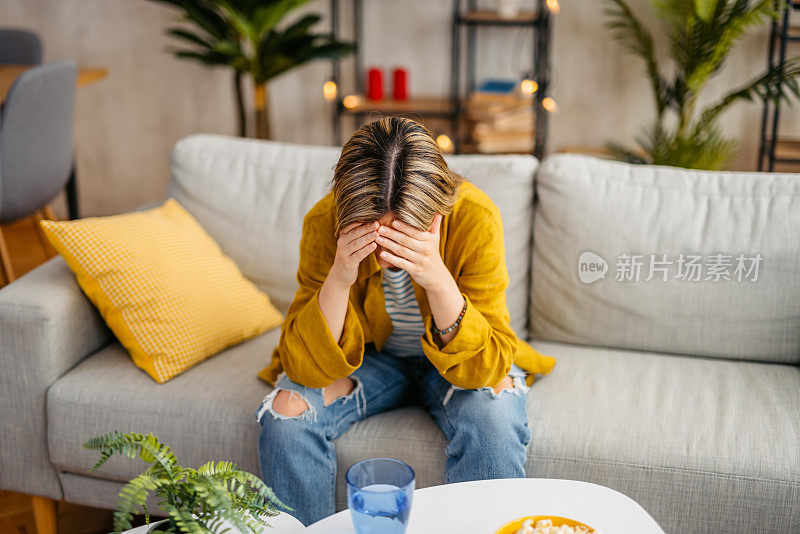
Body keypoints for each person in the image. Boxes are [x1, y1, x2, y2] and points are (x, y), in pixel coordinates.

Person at [254, 116, 555, 526]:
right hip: (372, 360)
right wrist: (341, 275)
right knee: (287, 413)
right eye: (374, 233)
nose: (387, 253)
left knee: (494, 418)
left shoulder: (476, 217)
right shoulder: (325, 222)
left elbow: (488, 364)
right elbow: (305, 365)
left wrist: (437, 278)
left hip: (456, 360)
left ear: (435, 210)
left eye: (403, 233)